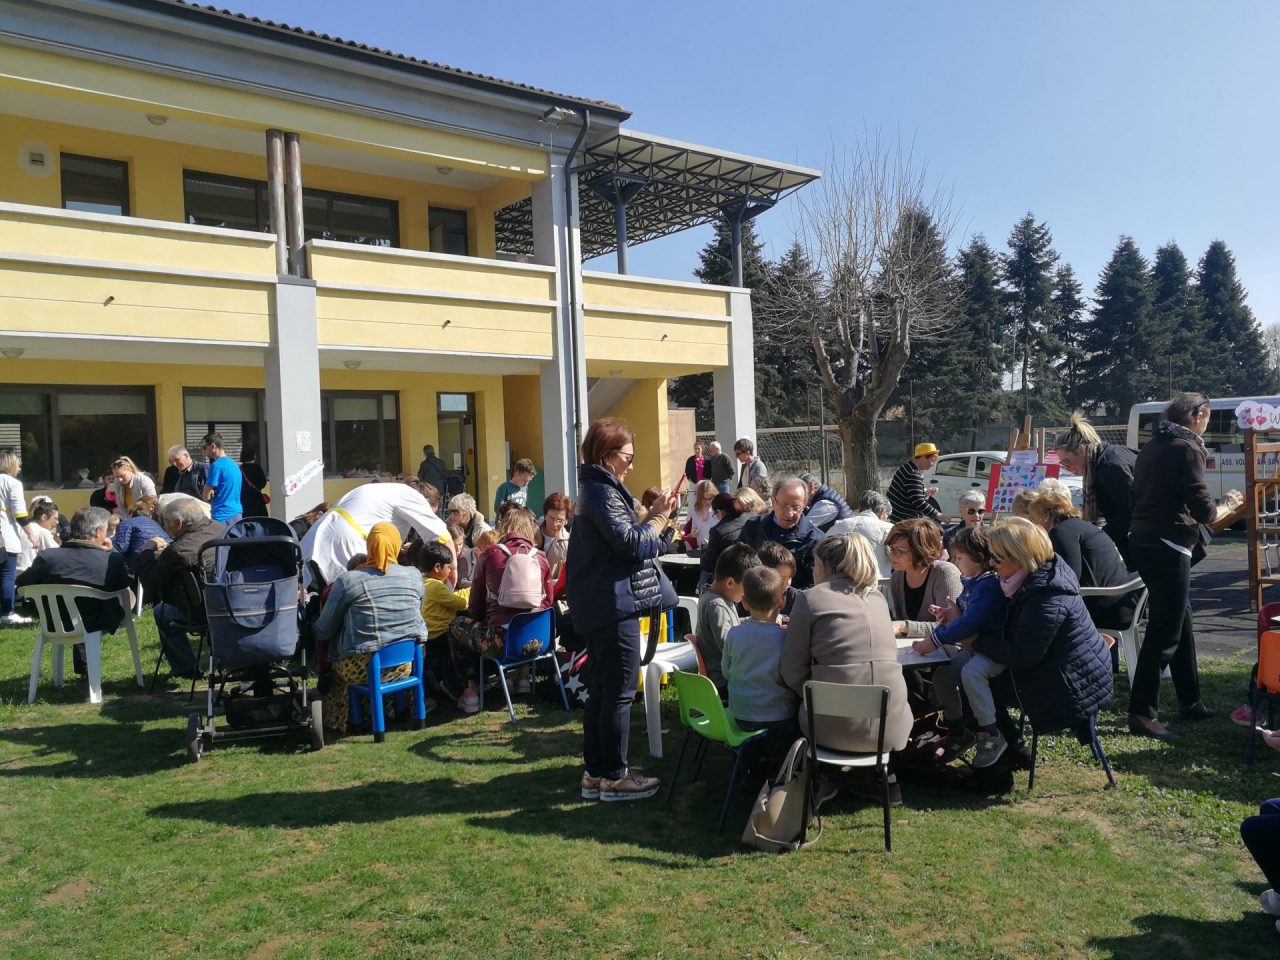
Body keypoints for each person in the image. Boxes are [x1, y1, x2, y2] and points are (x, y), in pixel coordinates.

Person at [567, 417, 678, 802]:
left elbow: (630, 544)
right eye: (628, 457)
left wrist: (659, 525)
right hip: (613, 605)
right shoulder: (602, 492)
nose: (632, 465)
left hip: (601, 603)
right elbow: (631, 546)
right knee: (617, 693)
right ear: (608, 455)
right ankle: (614, 777)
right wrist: (660, 518)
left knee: (602, 691)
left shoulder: (595, 490)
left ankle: (596, 773)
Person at [1128, 392, 1243, 740]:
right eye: (1207, 417)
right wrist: (1231, 504)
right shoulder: (1186, 448)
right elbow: (1204, 512)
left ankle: (1189, 701)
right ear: (1199, 415)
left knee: (1182, 622)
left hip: (1145, 538)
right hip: (1168, 544)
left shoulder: (1153, 445)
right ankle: (1142, 714)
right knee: (1165, 632)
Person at [781, 534, 914, 802]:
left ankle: (822, 779)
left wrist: (817, 688)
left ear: (825, 566)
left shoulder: (810, 599)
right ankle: (885, 781)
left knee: (791, 701)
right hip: (891, 725)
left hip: (830, 724)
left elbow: (792, 669)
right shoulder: (877, 598)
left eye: (815, 564)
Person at [972, 517, 1114, 758]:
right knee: (970, 675)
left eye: (997, 558)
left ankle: (1006, 756)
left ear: (1021, 557)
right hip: (1066, 671)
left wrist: (974, 641)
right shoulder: (1036, 578)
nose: (992, 564)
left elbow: (1023, 654)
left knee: (969, 682)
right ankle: (1009, 751)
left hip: (1065, 685)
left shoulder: (1044, 594)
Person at [313, 523, 427, 734]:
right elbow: (416, 613)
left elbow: (324, 629)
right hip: (407, 664)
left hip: (360, 669)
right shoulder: (414, 575)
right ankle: (399, 710)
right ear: (395, 545)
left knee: (338, 671)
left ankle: (351, 721)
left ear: (369, 546)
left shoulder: (349, 581)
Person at [448, 505, 553, 713]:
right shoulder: (540, 557)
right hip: (539, 641)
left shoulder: (490, 554)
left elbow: (476, 605)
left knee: (457, 625)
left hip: (501, 642)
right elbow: (548, 601)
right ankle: (523, 679)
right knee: (525, 616)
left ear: (505, 526)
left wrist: (481, 619)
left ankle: (470, 693)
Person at [916, 525, 1006, 762]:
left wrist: (934, 640)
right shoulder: (973, 581)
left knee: (971, 674)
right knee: (943, 676)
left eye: (959, 557)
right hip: (973, 647)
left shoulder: (988, 585)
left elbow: (970, 622)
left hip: (991, 649)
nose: (955, 562)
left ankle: (990, 734)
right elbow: (964, 616)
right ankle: (957, 730)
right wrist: (948, 614)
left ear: (978, 557)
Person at [17, 506, 131, 676]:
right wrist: (111, 550)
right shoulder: (109, 559)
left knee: (82, 606)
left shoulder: (47, 557)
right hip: (98, 620)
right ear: (99, 533)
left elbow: (21, 583)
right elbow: (123, 583)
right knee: (94, 605)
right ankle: (85, 667)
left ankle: (82, 667)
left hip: (54, 622)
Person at [136, 496, 224, 679]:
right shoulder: (220, 528)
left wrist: (146, 548)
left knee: (162, 611)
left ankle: (185, 669)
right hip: (230, 604)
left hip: (201, 612)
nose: (164, 527)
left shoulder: (179, 550)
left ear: (178, 523)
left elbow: (150, 581)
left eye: (165, 522)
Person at [302, 480, 451, 587]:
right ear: (425, 503)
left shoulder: (383, 490)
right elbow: (440, 535)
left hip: (316, 537)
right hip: (345, 544)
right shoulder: (413, 497)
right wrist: (453, 570)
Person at [1028, 487, 1137, 631]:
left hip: (1103, 609)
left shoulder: (1061, 532)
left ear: (1046, 515)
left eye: (1033, 517)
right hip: (1123, 603)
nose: (1033, 524)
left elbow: (1068, 577)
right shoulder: (1083, 527)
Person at [722, 565, 799, 757]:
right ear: (782, 602)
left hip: (741, 714)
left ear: (745, 603)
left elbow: (726, 671)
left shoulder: (734, 634)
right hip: (780, 717)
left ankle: (752, 766)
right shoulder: (786, 638)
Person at [1054, 413, 1137, 565]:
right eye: (1062, 465)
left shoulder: (1111, 467)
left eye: (1067, 462)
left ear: (1080, 451)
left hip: (1156, 537)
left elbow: (1129, 515)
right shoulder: (1103, 460)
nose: (1067, 468)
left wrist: (1096, 537)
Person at [696, 543, 760, 694]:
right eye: (747, 588)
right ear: (730, 582)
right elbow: (729, 648)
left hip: (725, 677)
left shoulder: (716, 597)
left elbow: (732, 623)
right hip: (724, 682)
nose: (747, 594)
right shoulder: (717, 605)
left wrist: (756, 620)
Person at [887, 518, 963, 642]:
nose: (891, 555)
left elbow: (952, 626)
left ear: (920, 551)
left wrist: (904, 626)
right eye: (891, 549)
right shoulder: (897, 577)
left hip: (946, 651)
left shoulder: (946, 574)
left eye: (898, 551)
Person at [739, 477, 823, 589]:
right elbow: (738, 565)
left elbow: (814, 585)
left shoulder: (815, 539)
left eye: (796, 507)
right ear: (773, 501)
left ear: (805, 505)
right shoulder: (753, 527)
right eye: (784, 506)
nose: (789, 514)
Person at [413, 538, 468, 697]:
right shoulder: (437, 586)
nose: (451, 571)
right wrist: (471, 592)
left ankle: (436, 682)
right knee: (447, 664)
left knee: (434, 664)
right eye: (449, 567)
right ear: (437, 567)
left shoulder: (424, 581)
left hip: (427, 633)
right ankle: (452, 687)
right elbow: (459, 603)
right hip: (441, 633)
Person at [0, 450, 39, 625]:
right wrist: (32, 535)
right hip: (5, 534)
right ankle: (7, 612)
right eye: (18, 463)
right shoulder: (12, 483)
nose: (19, 467)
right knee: (7, 575)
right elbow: (21, 514)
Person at [830, 490, 894, 580]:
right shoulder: (887, 528)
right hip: (877, 585)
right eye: (887, 517)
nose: (887, 520)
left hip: (838, 584)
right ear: (882, 512)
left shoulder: (838, 525)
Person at [698, 491, 751, 587]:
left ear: (719, 511)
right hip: (751, 569)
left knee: (705, 573)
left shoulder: (718, 531)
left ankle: (704, 599)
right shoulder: (750, 517)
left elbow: (708, 564)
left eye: (715, 514)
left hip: (730, 576)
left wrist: (706, 548)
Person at [111, 496, 170, 576]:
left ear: (131, 514)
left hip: (141, 559)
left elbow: (120, 547)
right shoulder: (155, 523)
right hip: (164, 558)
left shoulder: (128, 523)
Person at [888, 442, 944, 523]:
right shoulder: (913, 473)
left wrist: (924, 492)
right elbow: (918, 502)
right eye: (932, 460)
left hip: (896, 517)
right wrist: (938, 515)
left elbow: (909, 493)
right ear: (923, 458)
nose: (933, 464)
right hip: (904, 521)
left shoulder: (906, 467)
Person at [201, 433, 243, 526]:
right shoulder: (235, 465)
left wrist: (210, 493)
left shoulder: (216, 465)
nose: (203, 451)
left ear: (213, 446)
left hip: (221, 516)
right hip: (237, 514)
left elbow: (205, 496)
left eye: (204, 447)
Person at [535, 492, 572, 588]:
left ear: (567, 520)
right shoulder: (532, 531)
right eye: (551, 518)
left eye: (560, 520)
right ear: (545, 515)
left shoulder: (568, 542)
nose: (555, 524)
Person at [756, 540, 798, 617]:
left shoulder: (796, 598)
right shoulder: (750, 600)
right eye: (782, 578)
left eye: (790, 577)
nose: (787, 583)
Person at [683, 479, 718, 550]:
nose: (707, 501)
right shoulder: (695, 511)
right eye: (704, 499)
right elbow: (693, 529)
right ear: (699, 498)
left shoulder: (718, 509)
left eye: (710, 498)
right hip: (701, 548)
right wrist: (693, 533)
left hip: (715, 547)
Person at [238, 445, 269, 518]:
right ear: (254, 456)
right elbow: (263, 484)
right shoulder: (257, 468)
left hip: (244, 502)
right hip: (257, 501)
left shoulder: (239, 469)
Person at [683, 441, 707, 508]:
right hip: (693, 483)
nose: (697, 450)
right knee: (692, 501)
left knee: (703, 500)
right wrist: (690, 479)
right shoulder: (690, 460)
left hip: (703, 484)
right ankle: (691, 517)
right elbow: (686, 471)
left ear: (702, 449)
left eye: (698, 449)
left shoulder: (707, 460)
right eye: (695, 449)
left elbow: (709, 471)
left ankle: (704, 516)